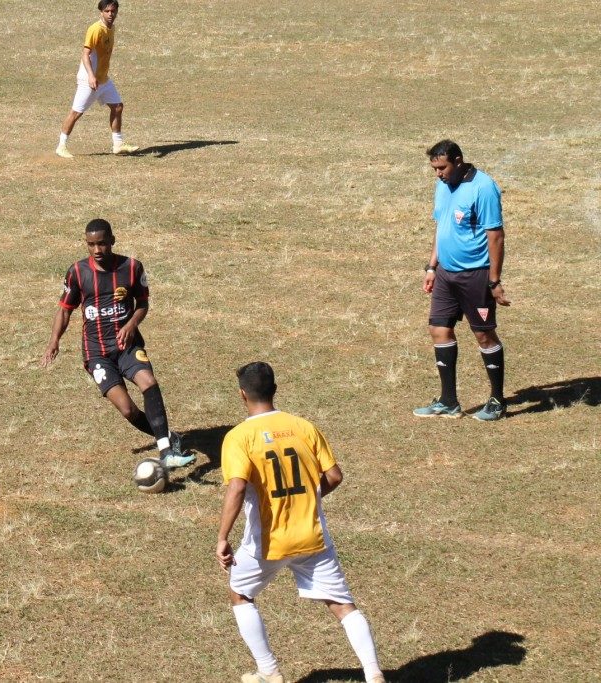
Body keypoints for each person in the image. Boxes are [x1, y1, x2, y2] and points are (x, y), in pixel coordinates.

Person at [217, 362, 385, 683]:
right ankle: (374, 673)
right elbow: (334, 476)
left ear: (242, 395)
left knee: (240, 594)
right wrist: (309, 498)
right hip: (313, 537)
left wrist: (223, 537)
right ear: (274, 390)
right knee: (342, 605)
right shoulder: (303, 427)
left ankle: (269, 671)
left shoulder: (239, 437)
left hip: (267, 543)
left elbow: (237, 487)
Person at [41, 219, 194, 470]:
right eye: (91, 244)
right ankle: (169, 436)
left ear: (112, 240)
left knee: (149, 382)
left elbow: (142, 304)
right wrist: (54, 340)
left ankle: (166, 451)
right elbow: (65, 309)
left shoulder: (131, 267)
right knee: (127, 410)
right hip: (97, 353)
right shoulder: (77, 272)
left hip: (127, 346)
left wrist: (132, 324)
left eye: (102, 243)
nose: (97, 250)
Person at [415, 140, 509, 421]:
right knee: (438, 329)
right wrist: (432, 267)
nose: (438, 174)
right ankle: (448, 401)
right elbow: (441, 225)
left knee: (483, 334)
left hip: (475, 275)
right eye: (434, 168)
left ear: (458, 161)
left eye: (442, 168)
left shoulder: (483, 187)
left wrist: (494, 281)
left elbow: (496, 236)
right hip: (445, 274)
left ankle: (497, 400)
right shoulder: (442, 185)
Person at [55, 0, 139, 159]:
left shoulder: (111, 28)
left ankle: (118, 144)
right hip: (90, 79)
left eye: (113, 11)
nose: (110, 14)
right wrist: (91, 76)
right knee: (76, 112)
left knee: (117, 107)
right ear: (101, 12)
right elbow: (85, 54)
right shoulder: (95, 29)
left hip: (103, 79)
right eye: (107, 11)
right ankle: (61, 146)